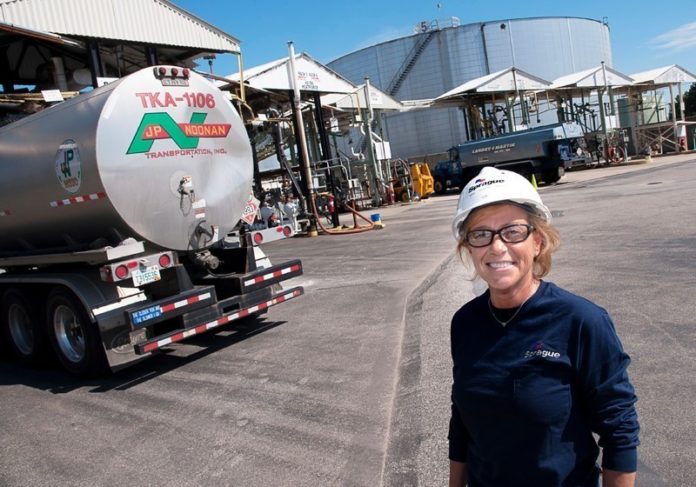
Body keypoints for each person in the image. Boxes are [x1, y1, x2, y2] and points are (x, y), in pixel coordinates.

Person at [448, 166, 639, 487]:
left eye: (512, 231)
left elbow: (618, 429)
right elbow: (462, 423)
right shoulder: (465, 323)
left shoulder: (581, 321)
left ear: (537, 241)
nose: (497, 247)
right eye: (481, 234)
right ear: (469, 247)